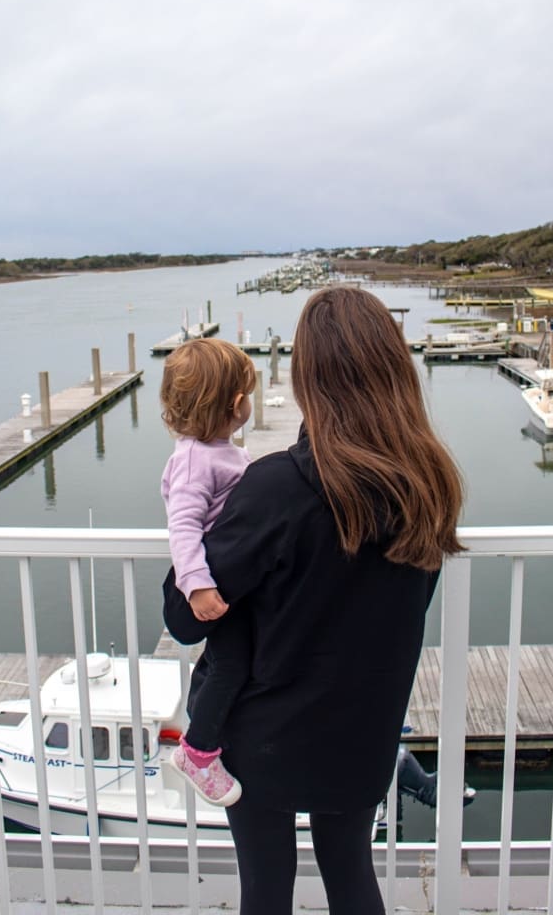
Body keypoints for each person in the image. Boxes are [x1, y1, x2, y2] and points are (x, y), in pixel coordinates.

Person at [164, 285, 464, 915]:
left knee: (267, 888)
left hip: (262, 738)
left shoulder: (274, 487)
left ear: (306, 378)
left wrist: (194, 537)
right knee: (352, 873)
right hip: (364, 731)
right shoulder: (430, 486)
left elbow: (185, 620)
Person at [160, 336, 256, 806]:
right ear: (237, 404)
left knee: (227, 662)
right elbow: (182, 527)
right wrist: (196, 586)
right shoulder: (195, 460)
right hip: (215, 586)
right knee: (234, 662)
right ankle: (197, 753)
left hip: (232, 581)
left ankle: (204, 730)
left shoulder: (219, 451)